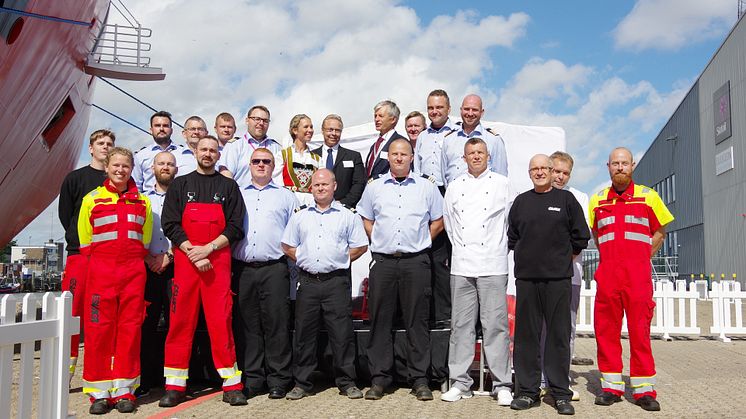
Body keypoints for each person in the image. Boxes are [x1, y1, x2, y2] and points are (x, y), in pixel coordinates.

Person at [159, 136, 247, 407]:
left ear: (218, 155)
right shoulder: (179, 185)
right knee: (179, 325)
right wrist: (192, 252)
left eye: (213, 150)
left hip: (217, 267)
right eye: (204, 149)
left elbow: (235, 227)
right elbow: (170, 224)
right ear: (195, 151)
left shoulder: (229, 187)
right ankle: (175, 386)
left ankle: (231, 385)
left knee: (221, 324)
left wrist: (207, 249)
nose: (208, 154)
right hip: (186, 267)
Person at [356, 138, 444, 401]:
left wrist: (421, 242)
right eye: (394, 154)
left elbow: (438, 220)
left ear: (411, 156)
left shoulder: (426, 187)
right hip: (383, 263)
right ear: (389, 157)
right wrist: (380, 241)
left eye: (403, 154)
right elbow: (366, 218)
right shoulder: (375, 188)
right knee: (380, 321)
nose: (398, 158)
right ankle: (379, 379)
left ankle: (419, 379)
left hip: (415, 263)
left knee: (417, 322)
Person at [590, 147, 673, 412]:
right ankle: (611, 387)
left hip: (637, 278)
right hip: (608, 276)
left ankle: (643, 391)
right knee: (606, 332)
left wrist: (640, 257)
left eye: (624, 163)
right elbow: (596, 237)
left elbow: (660, 230)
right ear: (608, 166)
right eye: (615, 163)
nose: (620, 167)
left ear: (633, 165)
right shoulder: (598, 200)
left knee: (640, 332)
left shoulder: (649, 197)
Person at [507, 154, 589, 415]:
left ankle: (560, 393)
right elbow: (512, 237)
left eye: (544, 168)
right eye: (535, 169)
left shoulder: (566, 200)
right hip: (528, 280)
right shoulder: (521, 202)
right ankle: (528, 392)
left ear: (552, 171)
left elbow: (581, 236)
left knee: (557, 337)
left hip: (558, 280)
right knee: (526, 337)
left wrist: (561, 258)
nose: (540, 172)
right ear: (530, 173)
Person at [281, 169, 369, 400]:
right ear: (311, 188)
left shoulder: (347, 215)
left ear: (334, 186)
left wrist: (340, 259)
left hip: (336, 283)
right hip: (308, 282)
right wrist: (302, 257)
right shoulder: (300, 216)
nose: (320, 188)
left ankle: (347, 382)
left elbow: (360, 246)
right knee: (304, 335)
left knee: (342, 335)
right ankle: (302, 383)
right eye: (316, 185)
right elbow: (287, 245)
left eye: (325, 184)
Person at [77, 147, 153, 414]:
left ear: (131, 169)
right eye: (116, 166)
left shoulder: (143, 202)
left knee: (130, 330)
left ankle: (124, 391)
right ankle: (98, 392)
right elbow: (85, 241)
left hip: (133, 274)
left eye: (126, 166)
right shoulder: (91, 199)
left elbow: (144, 240)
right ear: (107, 167)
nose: (121, 170)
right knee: (99, 332)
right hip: (101, 274)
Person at [441, 138, 514, 406]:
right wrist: (461, 248)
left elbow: (509, 221)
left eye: (480, 152)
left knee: (496, 326)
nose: (476, 156)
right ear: (464, 157)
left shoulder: (503, 184)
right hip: (462, 263)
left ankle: (501, 383)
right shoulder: (455, 187)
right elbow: (449, 223)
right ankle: (460, 382)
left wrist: (498, 249)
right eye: (471, 153)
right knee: (461, 326)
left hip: (493, 262)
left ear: (488, 156)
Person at [232, 148, 298, 400]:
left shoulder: (286, 197)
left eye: (266, 161)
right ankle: (253, 378)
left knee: (277, 324)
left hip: (275, 268)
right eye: (256, 161)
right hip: (244, 269)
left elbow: (296, 231)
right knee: (248, 325)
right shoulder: (236, 194)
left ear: (274, 166)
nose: (261, 165)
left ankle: (279, 379)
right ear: (249, 165)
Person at [58, 129, 114, 384]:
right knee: (72, 312)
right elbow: (66, 215)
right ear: (91, 148)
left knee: (103, 314)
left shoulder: (118, 181)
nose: (105, 146)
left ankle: (100, 371)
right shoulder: (75, 179)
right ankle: (64, 374)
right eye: (101, 143)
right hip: (79, 256)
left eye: (109, 143)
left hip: (108, 259)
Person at [538, 152, 593, 400]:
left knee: (564, 330)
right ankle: (540, 378)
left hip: (569, 276)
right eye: (556, 171)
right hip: (540, 277)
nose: (559, 176)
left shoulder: (579, 198)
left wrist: (560, 260)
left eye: (565, 173)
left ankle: (561, 378)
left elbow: (580, 237)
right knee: (541, 328)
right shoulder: (537, 196)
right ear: (548, 169)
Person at [412, 89, 457, 384]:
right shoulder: (423, 137)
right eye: (430, 107)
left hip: (448, 193)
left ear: (448, 108)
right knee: (426, 256)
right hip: (427, 194)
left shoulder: (455, 136)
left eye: (439, 107)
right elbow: (416, 168)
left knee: (446, 261)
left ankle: (445, 315)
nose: (435, 111)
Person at [136, 151, 177, 397]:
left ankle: (172, 378)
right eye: (161, 163)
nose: (166, 167)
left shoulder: (182, 197)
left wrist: (168, 256)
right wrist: (148, 257)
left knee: (175, 323)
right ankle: (145, 377)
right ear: (152, 168)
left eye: (170, 164)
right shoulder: (141, 200)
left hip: (175, 265)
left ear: (176, 169)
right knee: (146, 324)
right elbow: (133, 230)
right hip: (147, 266)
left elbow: (188, 229)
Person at [441, 94, 508, 187]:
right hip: (455, 197)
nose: (470, 113)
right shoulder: (448, 139)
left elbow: (501, 177)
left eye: (475, 110)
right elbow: (444, 174)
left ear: (482, 112)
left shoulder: (494, 140)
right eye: (467, 109)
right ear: (461, 110)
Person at [219, 105, 283, 187]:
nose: (261, 123)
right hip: (241, 197)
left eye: (265, 121)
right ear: (247, 120)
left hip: (271, 196)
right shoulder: (235, 145)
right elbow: (226, 175)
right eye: (257, 119)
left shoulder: (276, 147)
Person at [132, 111, 196, 192]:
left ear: (171, 130)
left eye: (165, 126)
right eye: (157, 126)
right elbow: (136, 187)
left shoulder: (184, 154)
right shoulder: (140, 156)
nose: (161, 129)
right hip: (150, 202)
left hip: (179, 202)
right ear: (151, 130)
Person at [311, 114, 366, 207]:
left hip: (344, 210)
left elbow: (359, 184)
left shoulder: (353, 157)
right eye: (330, 130)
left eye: (337, 130)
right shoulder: (311, 156)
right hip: (315, 208)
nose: (333, 133)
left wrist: (343, 204)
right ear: (322, 131)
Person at [281, 114, 320, 206]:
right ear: (295, 130)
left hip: (311, 204)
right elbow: (277, 183)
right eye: (306, 127)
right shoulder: (282, 155)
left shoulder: (317, 159)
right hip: (289, 202)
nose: (310, 130)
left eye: (311, 127)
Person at [365, 100, 408, 179]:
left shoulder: (401, 143)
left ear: (393, 119)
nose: (376, 119)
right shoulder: (374, 146)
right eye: (375, 116)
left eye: (381, 116)